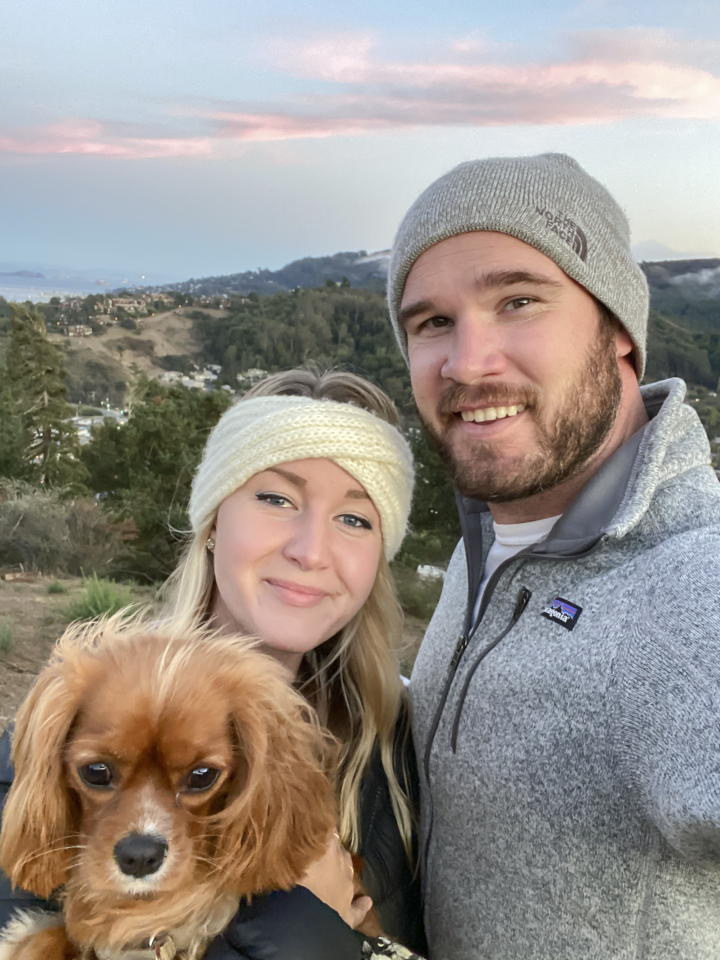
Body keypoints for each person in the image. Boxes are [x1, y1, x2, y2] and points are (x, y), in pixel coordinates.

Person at [0, 368, 427, 960]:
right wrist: (300, 922)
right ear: (212, 521)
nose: (310, 550)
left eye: (355, 519)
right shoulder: (68, 716)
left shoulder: (402, 755)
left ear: (378, 557)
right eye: (276, 498)